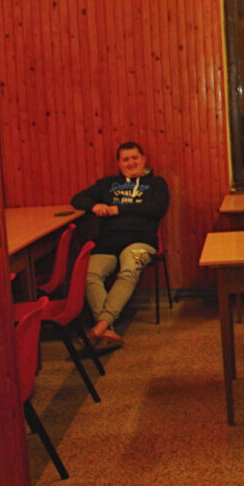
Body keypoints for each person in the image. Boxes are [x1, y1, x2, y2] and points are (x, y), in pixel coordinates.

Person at [71, 141, 169, 347]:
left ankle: (99, 327)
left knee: (129, 270)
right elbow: (78, 199)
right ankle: (108, 331)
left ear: (143, 159)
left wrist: (120, 209)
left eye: (135, 158)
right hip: (108, 241)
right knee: (89, 274)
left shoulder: (157, 183)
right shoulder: (108, 184)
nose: (131, 163)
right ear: (119, 163)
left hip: (141, 240)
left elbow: (158, 209)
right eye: (126, 159)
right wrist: (94, 205)